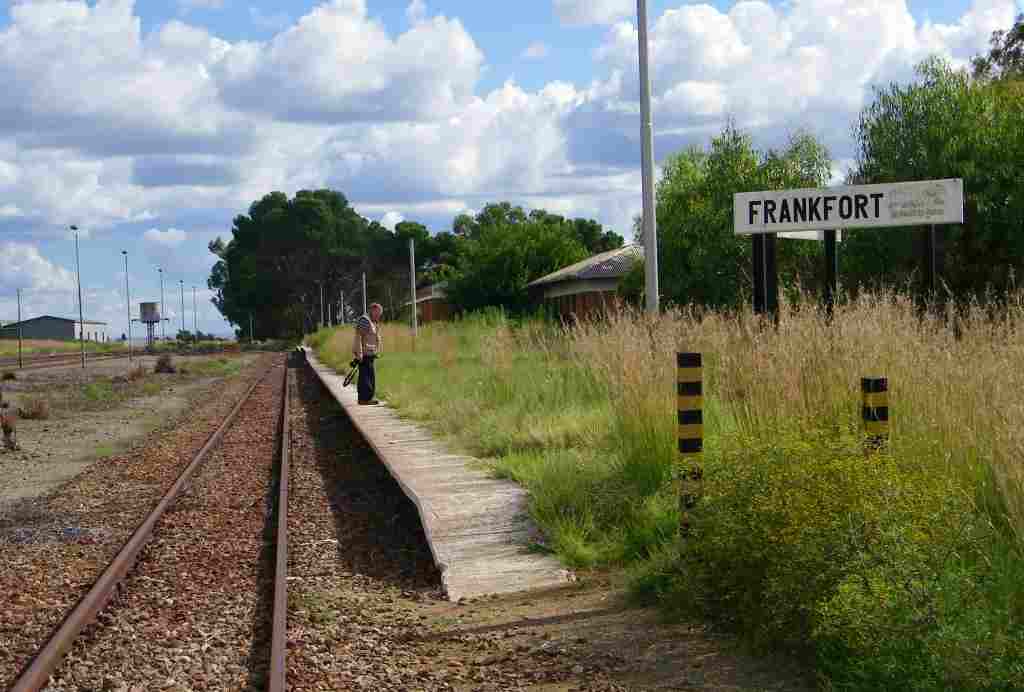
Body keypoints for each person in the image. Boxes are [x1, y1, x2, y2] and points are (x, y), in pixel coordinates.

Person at [352, 303, 383, 405]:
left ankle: (367, 398)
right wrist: (359, 354)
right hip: (364, 355)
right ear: (373, 310)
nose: (379, 315)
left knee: (369, 377)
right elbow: (358, 337)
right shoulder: (365, 320)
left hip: (369, 354)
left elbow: (372, 338)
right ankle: (364, 399)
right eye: (378, 313)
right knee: (365, 378)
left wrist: (375, 351)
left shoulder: (372, 322)